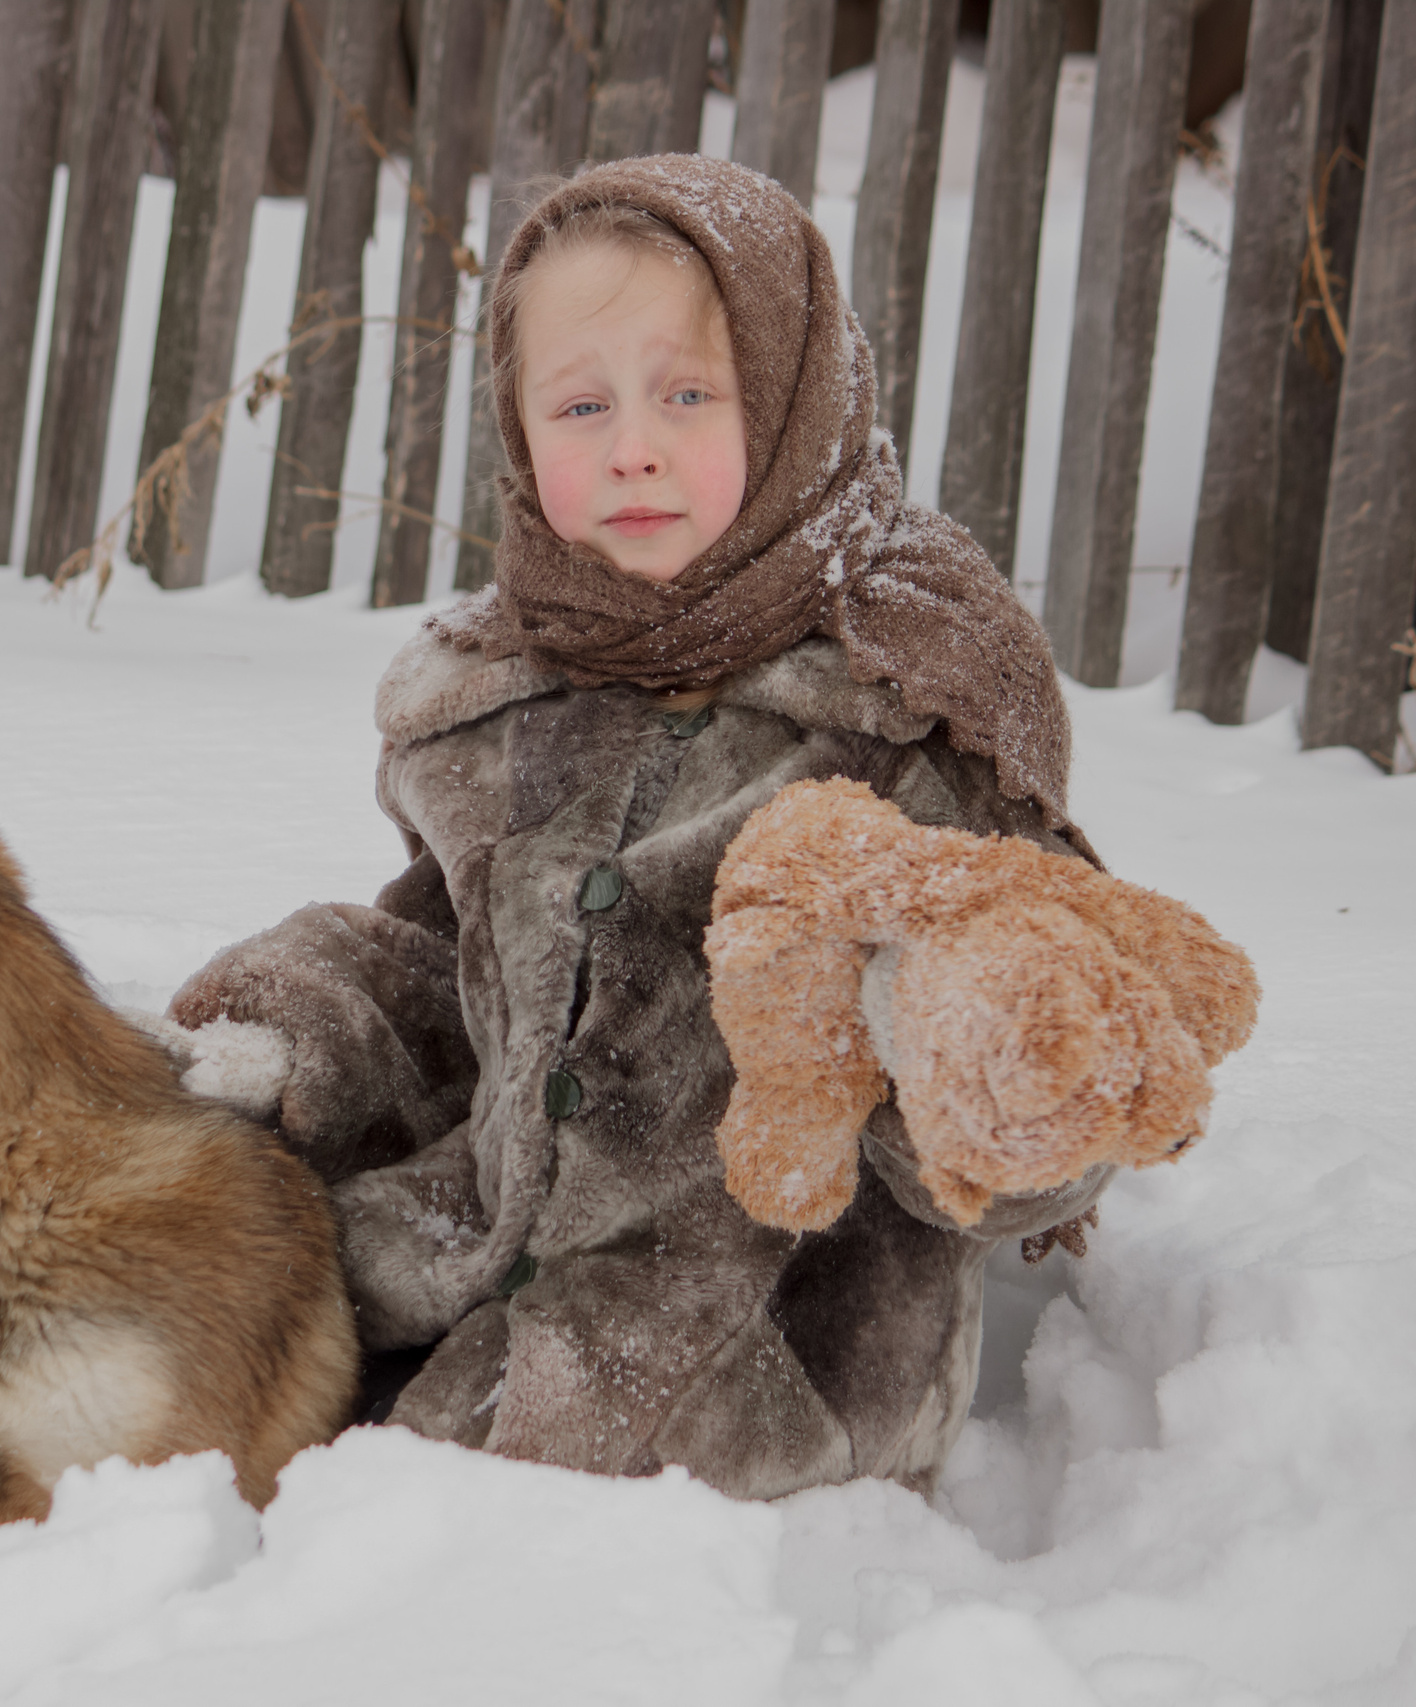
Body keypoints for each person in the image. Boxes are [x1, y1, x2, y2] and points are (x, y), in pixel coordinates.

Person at [165, 157, 1141, 1498]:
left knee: (465, 1513)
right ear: (516, 433)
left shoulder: (905, 702)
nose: (632, 443)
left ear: (798, 402)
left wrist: (961, 1039)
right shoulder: (497, 703)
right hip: (487, 1245)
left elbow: (1062, 1062)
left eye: (689, 394)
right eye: (581, 403)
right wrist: (310, 1020)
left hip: (763, 1338)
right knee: (203, 1320)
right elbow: (469, 979)